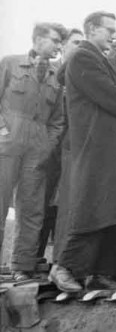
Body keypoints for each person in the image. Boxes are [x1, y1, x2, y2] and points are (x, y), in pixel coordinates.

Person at [49, 11, 116, 292]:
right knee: (93, 207)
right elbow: (114, 97)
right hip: (98, 147)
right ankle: (63, 266)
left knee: (115, 211)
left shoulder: (101, 60)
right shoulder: (83, 57)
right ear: (91, 30)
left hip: (114, 147)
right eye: (108, 30)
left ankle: (100, 272)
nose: (113, 34)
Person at [0, 22, 67, 282]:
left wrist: (46, 147)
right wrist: (3, 133)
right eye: (53, 40)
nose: (58, 46)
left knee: (31, 208)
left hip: (36, 149)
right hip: (6, 145)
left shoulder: (56, 76)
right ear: (37, 40)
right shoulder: (10, 63)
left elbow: (57, 120)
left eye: (60, 42)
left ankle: (22, 267)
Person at [37, 28, 83, 264]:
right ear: (64, 46)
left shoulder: (82, 74)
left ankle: (57, 261)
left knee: (61, 206)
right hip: (46, 147)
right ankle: (33, 258)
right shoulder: (50, 71)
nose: (78, 47)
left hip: (70, 147)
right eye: (75, 43)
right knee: (39, 203)